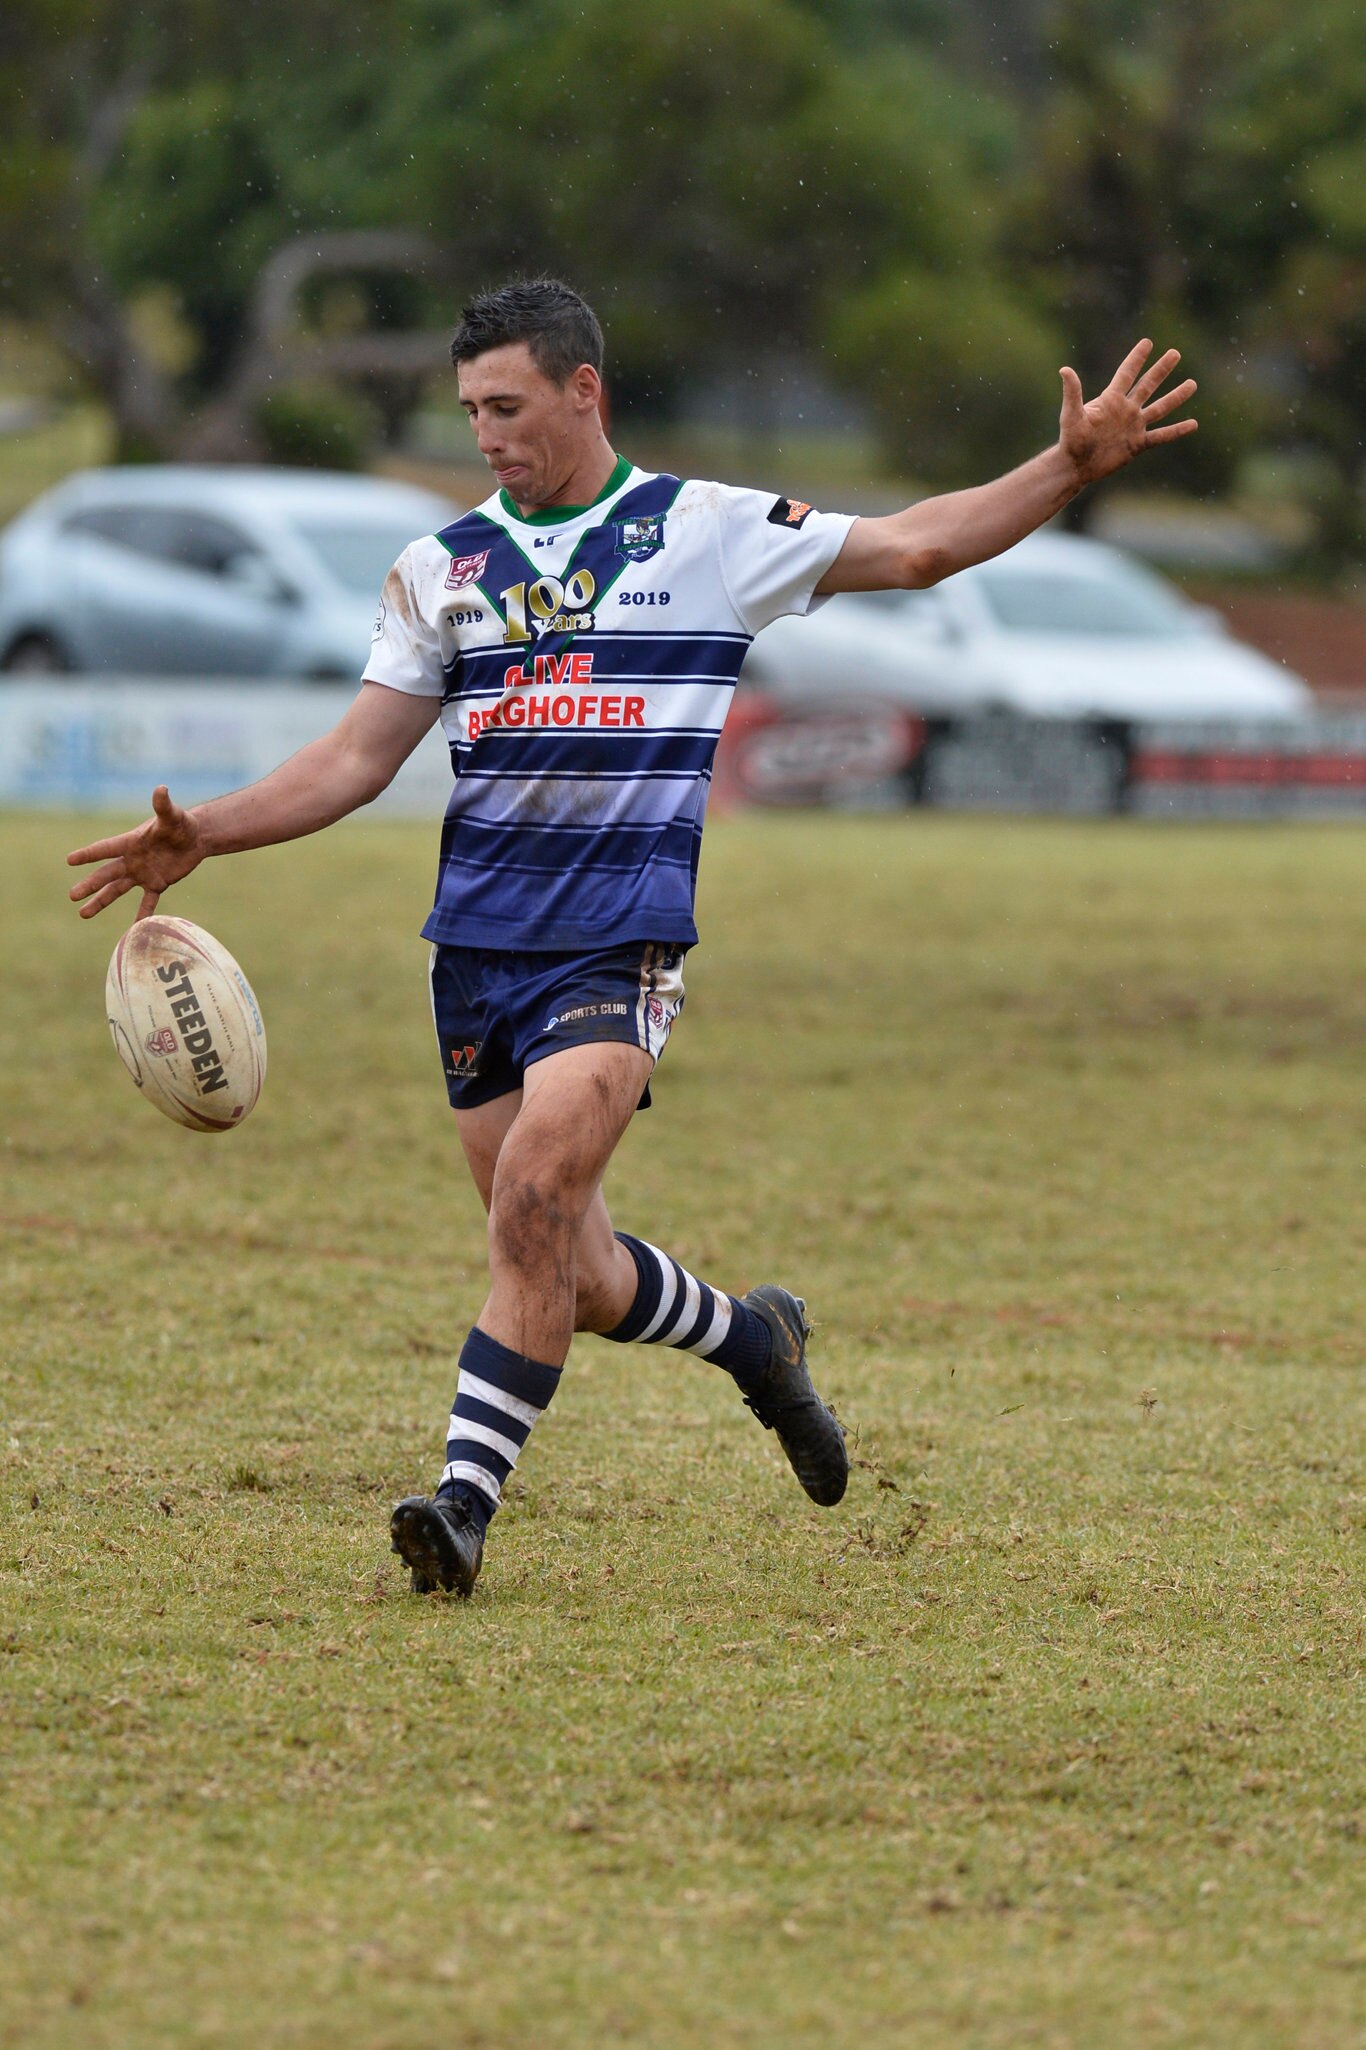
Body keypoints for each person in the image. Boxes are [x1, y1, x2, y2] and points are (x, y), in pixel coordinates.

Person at [67, 278, 1197, 1599]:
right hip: (473, 953)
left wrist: (1062, 468)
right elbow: (355, 760)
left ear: (581, 389)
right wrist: (206, 829)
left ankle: (462, 1507)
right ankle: (752, 1340)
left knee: (535, 1202)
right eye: (468, 411)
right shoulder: (441, 570)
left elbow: (916, 547)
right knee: (569, 1267)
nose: (483, 432)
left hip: (620, 944)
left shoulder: (707, 533)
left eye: (505, 405)